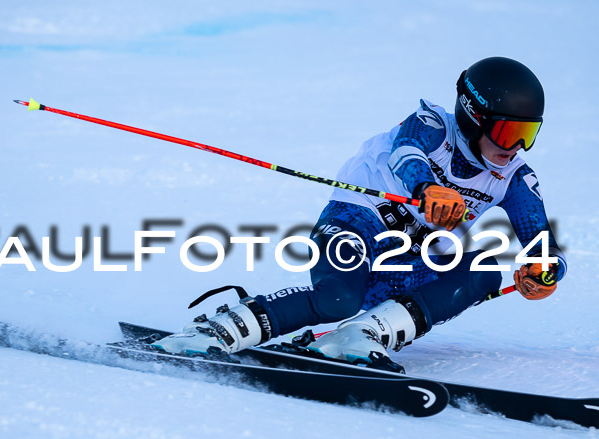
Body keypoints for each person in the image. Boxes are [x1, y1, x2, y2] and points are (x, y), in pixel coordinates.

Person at [153, 56, 567, 372]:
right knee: (336, 298)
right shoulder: (432, 126)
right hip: (353, 223)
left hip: (402, 260)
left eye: (527, 134)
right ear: (473, 115)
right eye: (507, 132)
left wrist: (546, 271)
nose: (515, 147)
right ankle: (214, 331)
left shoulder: (513, 177)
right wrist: (428, 188)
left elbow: (541, 239)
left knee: (483, 271)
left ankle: (358, 336)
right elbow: (405, 153)